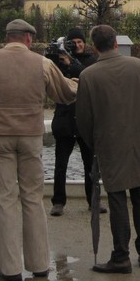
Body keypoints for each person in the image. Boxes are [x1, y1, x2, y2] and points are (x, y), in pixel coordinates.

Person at [0, 19, 77, 281]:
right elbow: (65, 92)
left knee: (5, 201)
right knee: (33, 199)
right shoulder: (42, 63)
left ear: (7, 37)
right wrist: (82, 82)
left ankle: (11, 268)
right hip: (30, 136)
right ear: (27, 38)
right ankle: (39, 264)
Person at [76, 24, 140, 274]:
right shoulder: (137, 66)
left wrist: (95, 144)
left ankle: (121, 256)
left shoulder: (88, 76)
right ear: (116, 42)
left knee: (117, 200)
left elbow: (83, 119)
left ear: (94, 47)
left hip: (111, 145)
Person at [50, 28, 104, 216]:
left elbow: (88, 77)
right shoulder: (58, 62)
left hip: (84, 121)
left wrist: (71, 62)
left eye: (80, 41)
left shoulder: (91, 61)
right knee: (60, 165)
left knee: (90, 165)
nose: (78, 45)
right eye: (73, 42)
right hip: (64, 121)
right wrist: (58, 58)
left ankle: (94, 201)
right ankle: (58, 202)